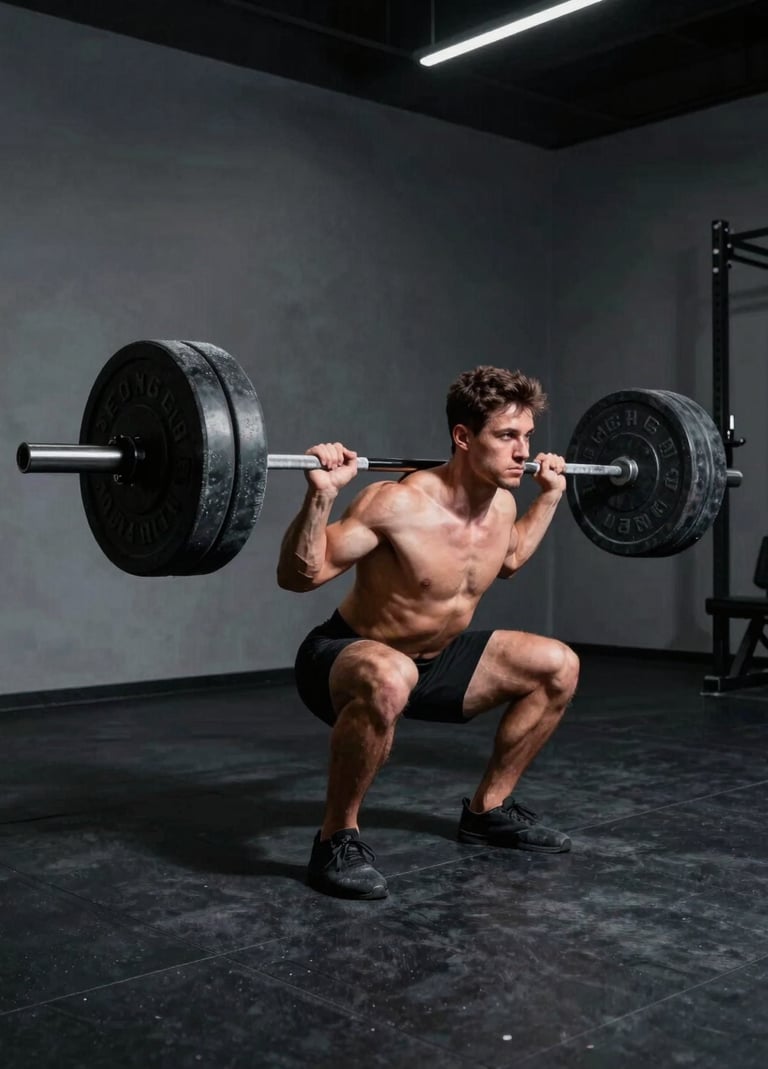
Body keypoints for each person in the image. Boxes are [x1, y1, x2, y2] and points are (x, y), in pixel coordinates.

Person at [277, 366, 579, 899]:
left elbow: (509, 558)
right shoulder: (395, 504)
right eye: (507, 436)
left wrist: (550, 497)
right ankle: (335, 840)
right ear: (463, 437)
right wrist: (320, 497)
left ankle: (487, 811)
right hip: (347, 657)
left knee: (558, 665)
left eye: (527, 436)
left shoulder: (503, 503)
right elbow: (300, 577)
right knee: (391, 674)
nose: (523, 452)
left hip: (434, 663)